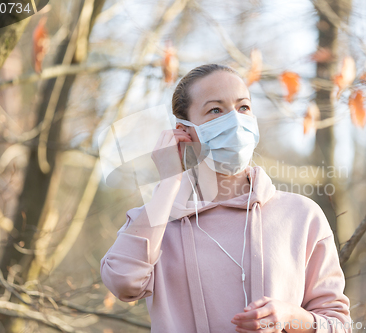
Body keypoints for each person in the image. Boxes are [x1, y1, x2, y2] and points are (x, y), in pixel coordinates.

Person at [100, 64, 353, 333]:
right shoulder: (157, 221)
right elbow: (123, 282)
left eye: (243, 107)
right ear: (185, 131)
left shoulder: (302, 215)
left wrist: (292, 317)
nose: (235, 120)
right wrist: (168, 184)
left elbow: (339, 325)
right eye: (216, 110)